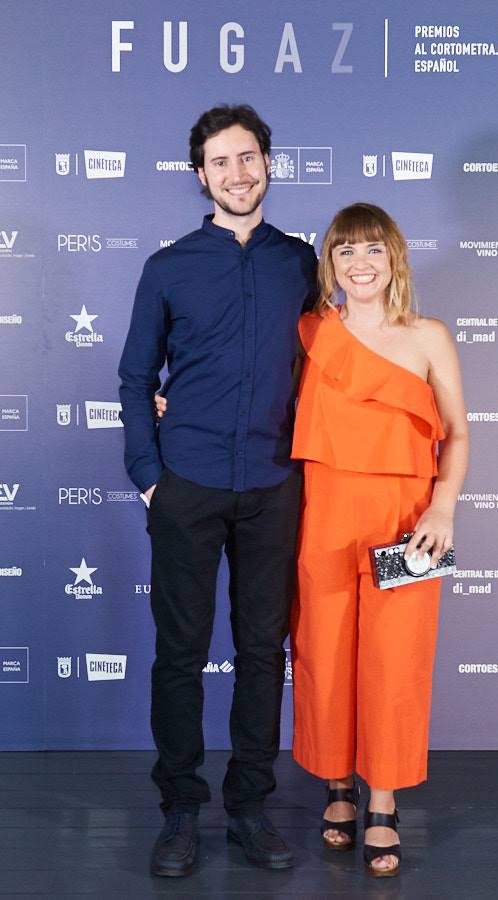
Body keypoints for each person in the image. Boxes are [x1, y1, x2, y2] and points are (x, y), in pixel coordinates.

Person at [118, 104, 317, 877]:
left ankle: (248, 808)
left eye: (248, 157)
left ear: (269, 162)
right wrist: (148, 478)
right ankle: (179, 812)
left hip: (274, 483)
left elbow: (329, 363)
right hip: (188, 485)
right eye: (221, 162)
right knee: (181, 654)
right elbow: (136, 377)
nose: (238, 173)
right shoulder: (167, 268)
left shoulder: (301, 263)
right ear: (200, 176)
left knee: (263, 651)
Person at [290, 203, 469, 877]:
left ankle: (384, 802)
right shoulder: (311, 332)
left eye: (372, 249)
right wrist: (176, 403)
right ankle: (337, 784)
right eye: (345, 251)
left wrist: (443, 508)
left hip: (408, 522)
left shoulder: (429, 336)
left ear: (394, 257)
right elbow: (252, 397)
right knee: (325, 653)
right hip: (324, 516)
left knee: (396, 662)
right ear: (329, 263)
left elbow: (458, 432)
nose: (359, 263)